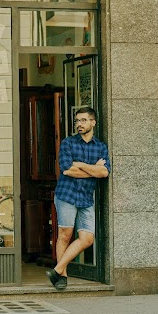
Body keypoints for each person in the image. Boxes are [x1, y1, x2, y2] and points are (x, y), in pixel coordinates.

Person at [46, 107, 110, 290]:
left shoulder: (100, 147)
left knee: (88, 238)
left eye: (83, 120)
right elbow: (67, 170)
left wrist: (81, 165)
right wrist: (93, 170)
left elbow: (104, 172)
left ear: (93, 122)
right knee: (65, 235)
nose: (79, 124)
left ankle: (57, 269)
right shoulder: (68, 143)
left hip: (86, 197)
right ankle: (62, 277)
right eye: (77, 121)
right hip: (67, 194)